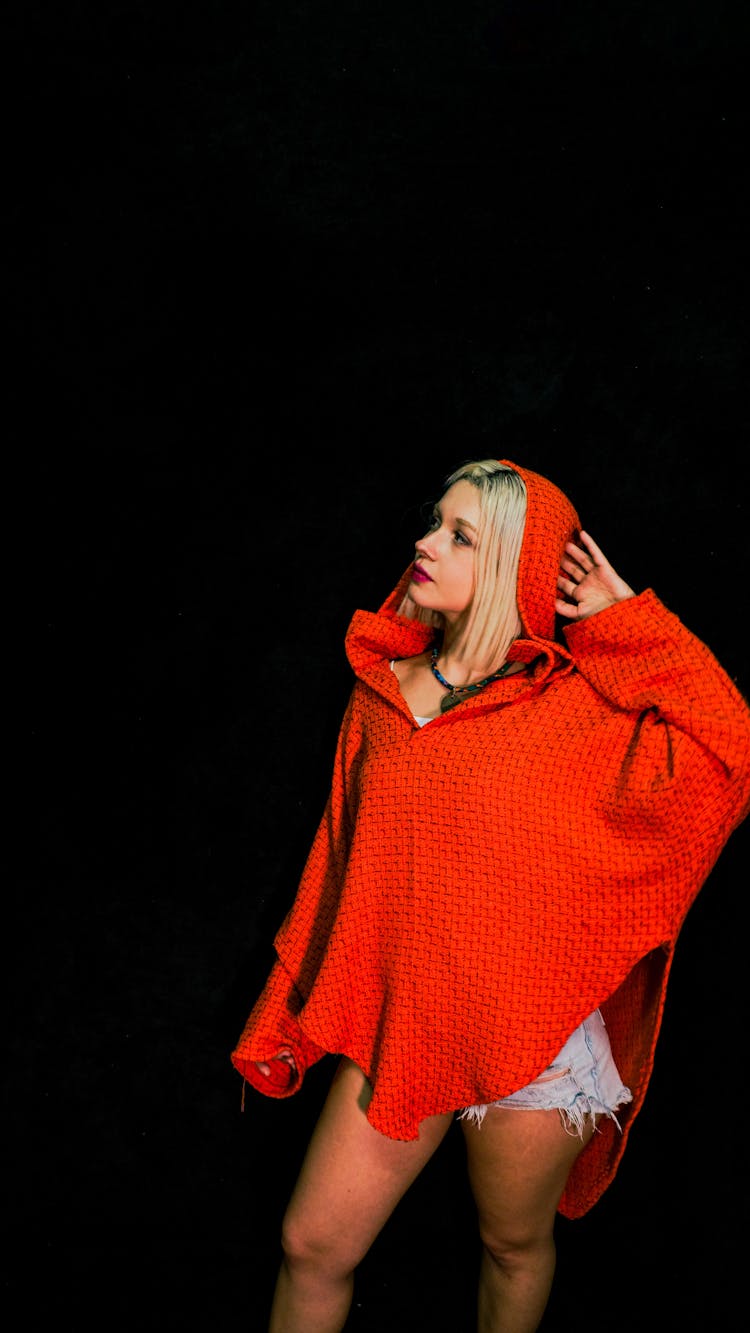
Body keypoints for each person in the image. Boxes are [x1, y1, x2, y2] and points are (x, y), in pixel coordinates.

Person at [230, 457, 750, 1333]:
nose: (425, 543)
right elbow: (341, 866)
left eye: (459, 534)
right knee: (312, 1244)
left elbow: (724, 753)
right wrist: (286, 1004)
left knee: (512, 1245)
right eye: (434, 522)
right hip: (405, 1023)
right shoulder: (381, 696)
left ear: (512, 561)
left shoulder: (574, 706)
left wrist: (631, 623)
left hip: (534, 1035)